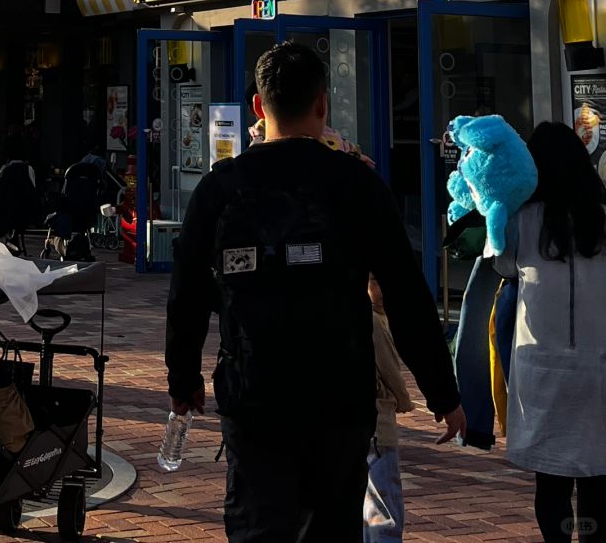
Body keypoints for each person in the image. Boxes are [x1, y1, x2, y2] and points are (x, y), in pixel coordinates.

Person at [166, 43, 464, 543]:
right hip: (339, 393)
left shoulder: (220, 189)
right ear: (322, 104)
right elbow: (406, 291)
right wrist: (443, 392)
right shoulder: (356, 184)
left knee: (258, 523)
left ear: (259, 108)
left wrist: (183, 378)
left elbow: (188, 292)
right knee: (332, 525)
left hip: (253, 389)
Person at [494, 121, 606, 542]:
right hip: (598, 367)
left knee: (552, 482)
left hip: (543, 370)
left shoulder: (523, 220)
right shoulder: (602, 217)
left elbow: (502, 266)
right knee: (598, 478)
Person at [364, 275, 414, 542]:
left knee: (372, 502)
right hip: (380, 422)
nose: (380, 291)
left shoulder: (378, 317)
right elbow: (391, 371)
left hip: (367, 423)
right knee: (384, 501)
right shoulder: (373, 320)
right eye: (374, 282)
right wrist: (405, 402)